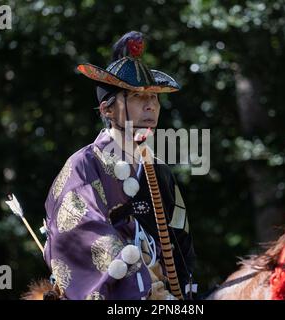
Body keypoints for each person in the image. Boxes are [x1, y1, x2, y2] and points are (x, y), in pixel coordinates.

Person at [42, 31, 196, 300]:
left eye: (154, 97)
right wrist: (141, 286)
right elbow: (80, 234)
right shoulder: (84, 165)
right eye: (137, 97)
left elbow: (180, 239)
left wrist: (183, 293)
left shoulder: (159, 171)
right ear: (107, 110)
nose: (151, 106)